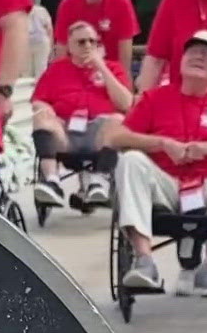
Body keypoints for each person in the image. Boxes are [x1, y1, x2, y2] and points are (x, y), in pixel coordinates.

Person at [102, 30, 207, 298]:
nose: (198, 55)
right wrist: (162, 144)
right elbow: (115, 136)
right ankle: (144, 260)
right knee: (130, 160)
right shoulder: (155, 98)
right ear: (179, 61)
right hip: (165, 183)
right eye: (192, 51)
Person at [30, 21, 133, 210]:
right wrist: (46, 109)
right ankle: (52, 181)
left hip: (100, 132)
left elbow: (126, 104)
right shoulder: (56, 70)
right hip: (65, 130)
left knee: (119, 121)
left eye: (92, 41)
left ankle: (98, 181)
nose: (87, 46)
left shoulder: (113, 68)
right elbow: (38, 100)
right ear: (69, 46)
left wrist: (101, 66)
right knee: (41, 117)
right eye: (81, 42)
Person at [54, 0, 141, 73]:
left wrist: (124, 78)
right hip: (78, 71)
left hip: (112, 70)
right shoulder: (68, 5)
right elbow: (62, 47)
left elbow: (125, 47)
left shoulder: (121, 3)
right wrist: (61, 76)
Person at [26, 0, 54, 77]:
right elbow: (49, 29)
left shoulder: (21, 11)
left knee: (26, 72)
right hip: (41, 42)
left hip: (26, 43)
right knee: (41, 71)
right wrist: (51, 46)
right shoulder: (42, 10)